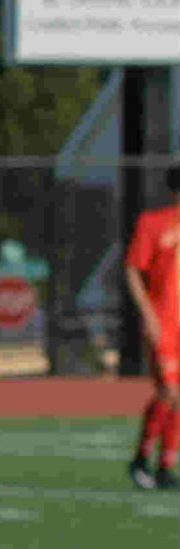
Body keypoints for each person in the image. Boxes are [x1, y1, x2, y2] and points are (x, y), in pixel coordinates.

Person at [123, 167, 180, 489]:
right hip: (165, 322)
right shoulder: (154, 222)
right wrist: (148, 314)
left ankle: (165, 466)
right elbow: (133, 269)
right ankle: (141, 459)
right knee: (168, 391)